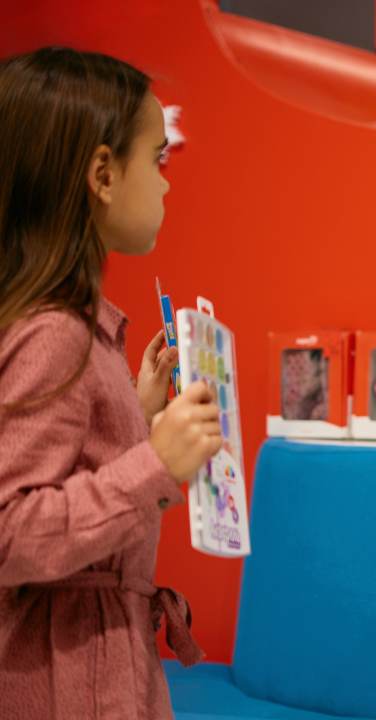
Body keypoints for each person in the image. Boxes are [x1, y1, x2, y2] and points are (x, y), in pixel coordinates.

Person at [0, 47, 223, 718]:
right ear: (102, 172)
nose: (165, 184)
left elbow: (62, 453)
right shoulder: (55, 333)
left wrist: (133, 405)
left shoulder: (70, 327)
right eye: (156, 160)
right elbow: (10, 530)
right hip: (72, 682)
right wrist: (154, 463)